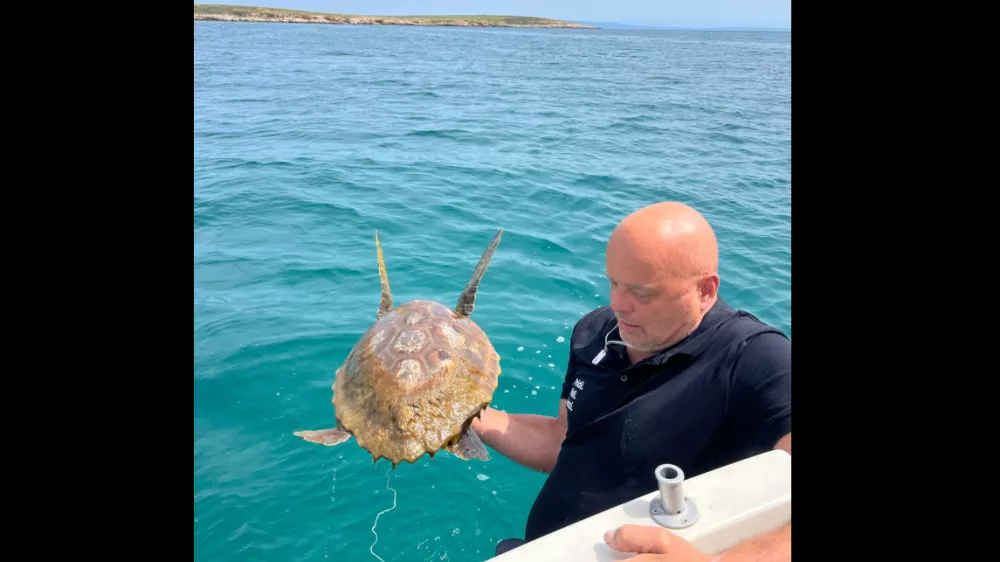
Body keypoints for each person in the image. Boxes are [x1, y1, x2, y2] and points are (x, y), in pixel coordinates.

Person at [469, 201, 791, 560]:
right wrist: (465, 415)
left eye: (643, 292)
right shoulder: (593, 331)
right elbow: (560, 441)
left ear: (704, 291)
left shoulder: (756, 357)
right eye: (613, 283)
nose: (618, 304)